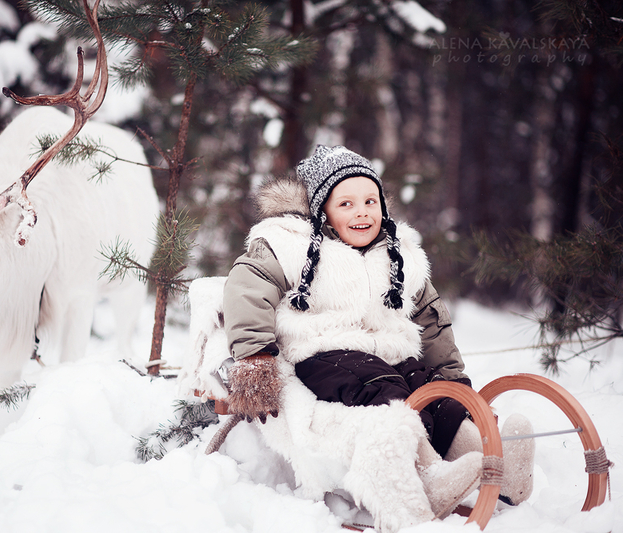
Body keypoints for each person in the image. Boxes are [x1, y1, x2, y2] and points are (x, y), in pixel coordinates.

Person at [220, 146, 533, 530]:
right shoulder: (291, 243)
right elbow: (248, 289)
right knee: (385, 390)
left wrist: (454, 383)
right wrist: (255, 357)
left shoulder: (398, 253)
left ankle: (496, 464)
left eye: (371, 201)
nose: (362, 212)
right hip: (324, 354)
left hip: (390, 354)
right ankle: (425, 475)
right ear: (322, 211)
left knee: (430, 390)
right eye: (346, 203)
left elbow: (431, 320)